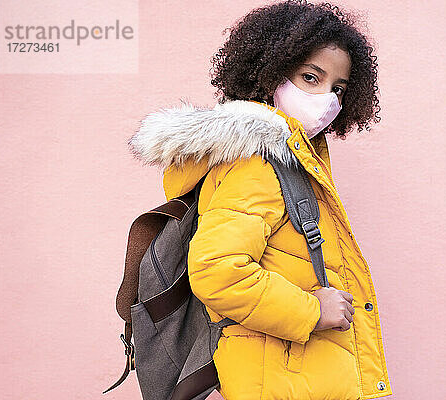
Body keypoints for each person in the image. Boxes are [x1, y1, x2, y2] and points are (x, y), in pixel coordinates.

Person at [128, 1, 392, 398]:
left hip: (299, 375)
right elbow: (219, 271)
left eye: (338, 88)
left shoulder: (295, 160)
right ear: (268, 74)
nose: (329, 99)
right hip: (283, 379)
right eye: (310, 77)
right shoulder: (258, 164)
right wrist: (312, 309)